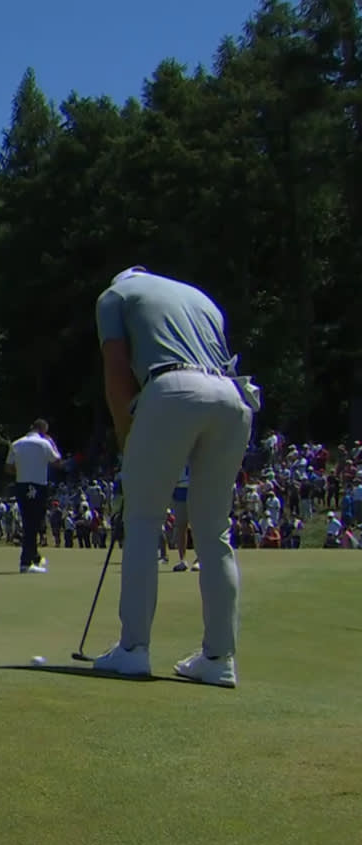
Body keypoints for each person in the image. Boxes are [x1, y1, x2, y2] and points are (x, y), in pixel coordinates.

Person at [90, 266, 258, 687]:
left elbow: (116, 369)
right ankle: (219, 659)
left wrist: (126, 435)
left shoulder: (114, 296)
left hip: (172, 388)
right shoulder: (200, 297)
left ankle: (133, 650)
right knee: (214, 530)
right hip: (232, 398)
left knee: (144, 521)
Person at [5, 419, 61, 573]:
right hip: (38, 485)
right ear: (43, 430)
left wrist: (23, 471)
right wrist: (51, 442)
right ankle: (26, 562)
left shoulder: (16, 443)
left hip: (22, 485)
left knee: (29, 520)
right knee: (33, 523)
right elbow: (57, 461)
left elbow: (9, 467)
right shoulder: (44, 443)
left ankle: (34, 555)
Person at [170, 466, 199, 572]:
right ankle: (182, 560)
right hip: (179, 489)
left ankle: (198, 559)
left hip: (195, 488)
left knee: (197, 526)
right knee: (181, 526)